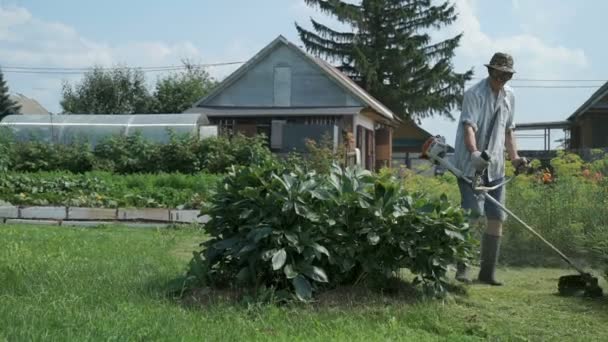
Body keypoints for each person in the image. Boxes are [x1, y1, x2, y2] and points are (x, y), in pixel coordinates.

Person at [452, 52, 527, 285]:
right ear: (490, 71)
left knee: (496, 217)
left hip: (495, 167)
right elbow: (469, 127)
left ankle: (487, 273)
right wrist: (474, 153)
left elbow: (508, 131)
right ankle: (462, 269)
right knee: (472, 214)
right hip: (470, 165)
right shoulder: (474, 94)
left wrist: (515, 158)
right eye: (499, 73)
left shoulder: (509, 97)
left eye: (506, 75)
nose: (502, 78)